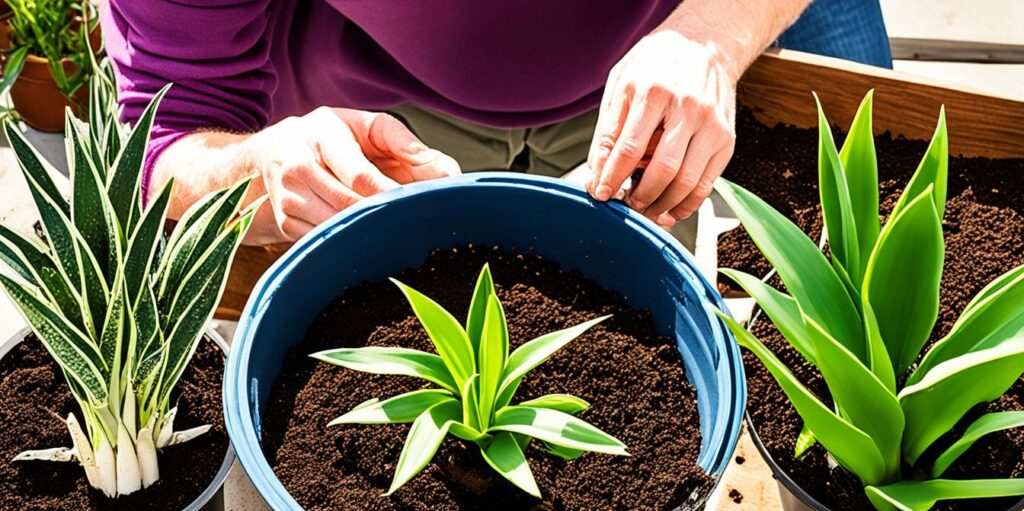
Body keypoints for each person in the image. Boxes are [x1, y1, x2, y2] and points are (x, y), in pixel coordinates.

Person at [101, 0, 891, 246]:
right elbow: (170, 133)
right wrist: (259, 171)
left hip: (668, 59)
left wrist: (713, 38)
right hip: (375, 114)